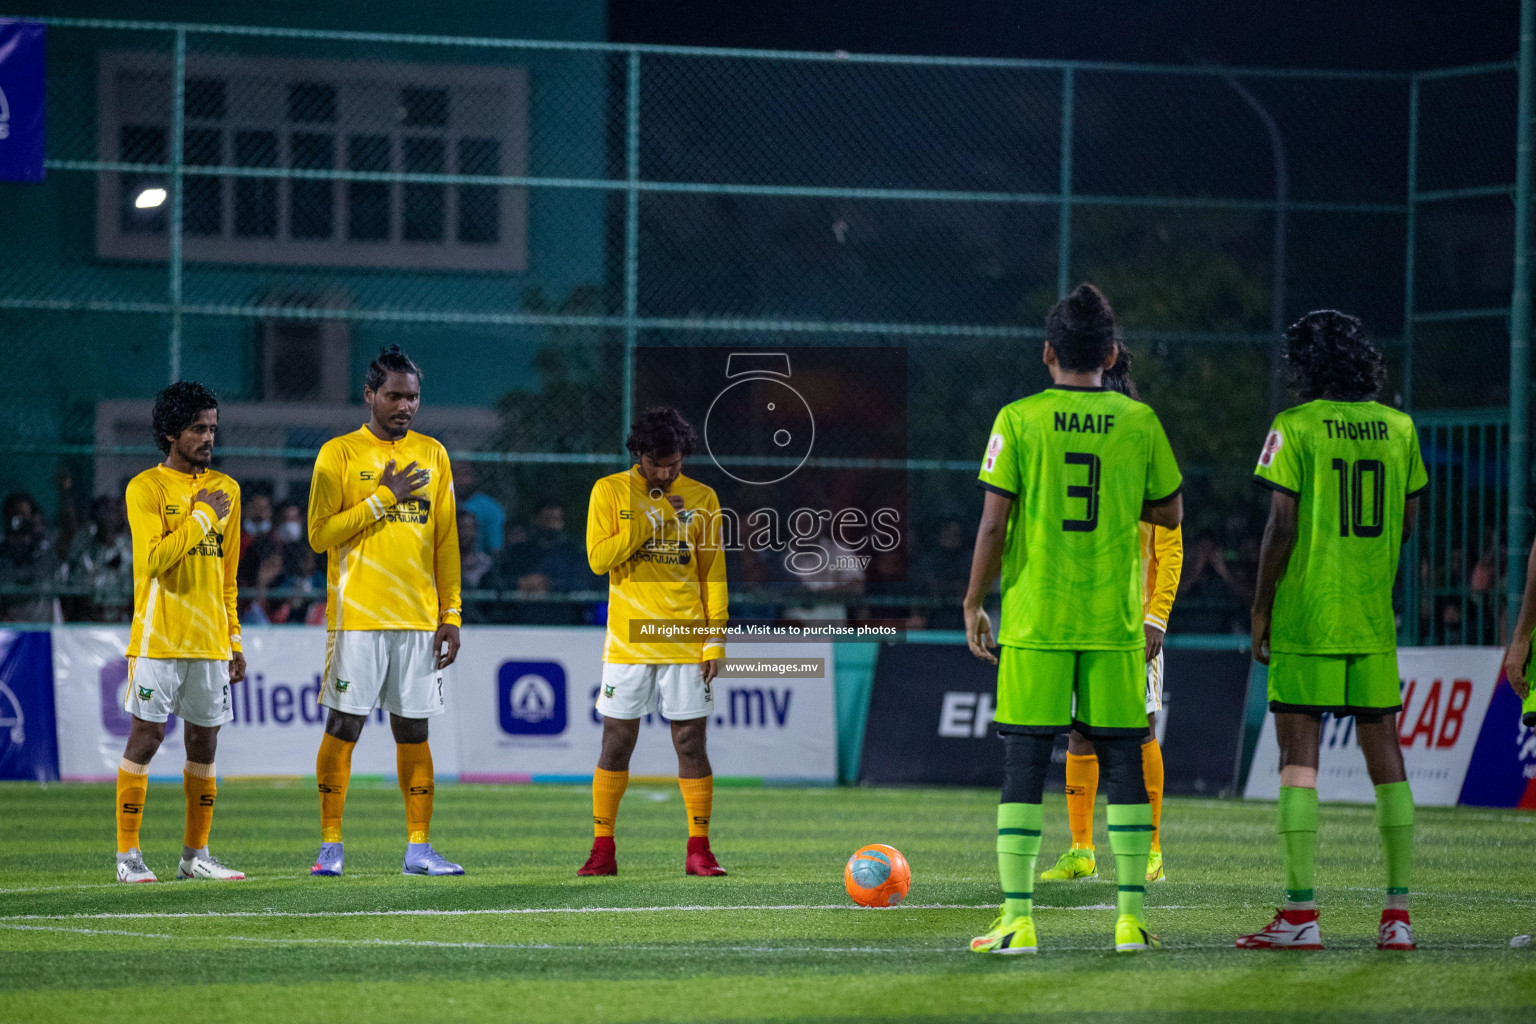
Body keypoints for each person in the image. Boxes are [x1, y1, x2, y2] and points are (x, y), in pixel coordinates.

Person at [964, 284, 1182, 955]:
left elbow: (995, 522)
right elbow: (1171, 515)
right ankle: (1127, 923)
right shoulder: (1138, 422)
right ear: (1111, 354)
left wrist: (974, 601)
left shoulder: (1018, 418)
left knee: (1025, 764)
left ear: (1047, 352)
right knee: (1123, 761)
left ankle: (1018, 921)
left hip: (1037, 620)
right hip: (1114, 621)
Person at [1238, 310, 1425, 952]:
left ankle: (1300, 916)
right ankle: (1397, 916)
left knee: (1299, 758)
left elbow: (1281, 527)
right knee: (1388, 758)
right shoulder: (1401, 429)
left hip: (1307, 615)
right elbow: (1407, 523)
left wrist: (1261, 607)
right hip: (1371, 617)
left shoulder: (1295, 428)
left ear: (1307, 366)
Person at [307, 345, 464, 878]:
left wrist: (452, 614)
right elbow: (319, 534)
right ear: (370, 394)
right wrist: (384, 498)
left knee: (414, 731)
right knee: (345, 724)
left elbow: (446, 544)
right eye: (395, 395)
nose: (405, 406)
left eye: (413, 396)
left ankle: (419, 848)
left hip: (419, 620)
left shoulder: (434, 454)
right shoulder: (339, 455)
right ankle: (330, 846)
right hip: (358, 617)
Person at [1040, 344, 1183, 885]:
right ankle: (1081, 850)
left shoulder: (1142, 445)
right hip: (1081, 615)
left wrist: (1156, 617)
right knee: (1079, 732)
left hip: (1132, 619)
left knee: (1139, 730)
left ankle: (1151, 850)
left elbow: (1170, 543)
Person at [578, 406, 729, 878]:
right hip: (628, 642)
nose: (666, 472)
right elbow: (599, 560)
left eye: (675, 463)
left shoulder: (704, 498)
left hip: (685, 638)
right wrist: (657, 515)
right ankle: (603, 849)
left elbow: (713, 574)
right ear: (638, 455)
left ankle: (699, 849)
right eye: (657, 463)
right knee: (617, 743)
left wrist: (715, 640)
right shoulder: (609, 491)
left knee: (690, 742)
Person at [113, 381, 247, 884]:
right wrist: (203, 516)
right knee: (146, 738)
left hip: (210, 641)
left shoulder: (228, 489)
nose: (208, 437)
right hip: (159, 638)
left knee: (204, 745)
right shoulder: (145, 488)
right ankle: (128, 856)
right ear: (171, 432)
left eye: (212, 428)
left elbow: (228, 577)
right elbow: (154, 561)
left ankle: (196, 856)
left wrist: (233, 639)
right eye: (198, 428)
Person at [454, 459, 506, 556]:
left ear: (474, 477)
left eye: (465, 474)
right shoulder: (440, 503)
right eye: (456, 474)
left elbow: (495, 549)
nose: (460, 480)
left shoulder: (491, 508)